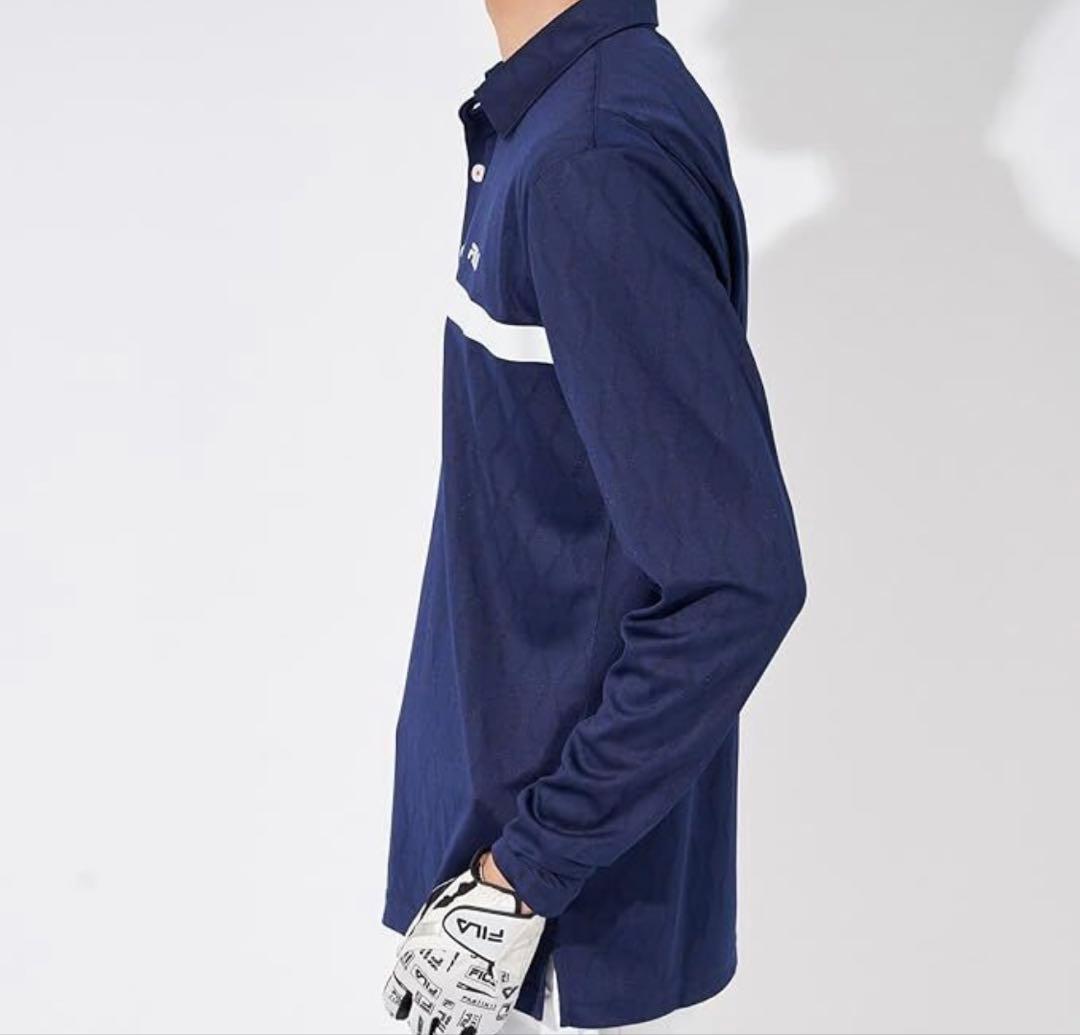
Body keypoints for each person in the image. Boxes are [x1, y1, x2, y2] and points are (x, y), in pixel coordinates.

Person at [382, 1, 805, 1032]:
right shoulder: (561, 116)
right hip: (499, 890)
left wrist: (517, 879)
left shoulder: (594, 154)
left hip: (540, 929)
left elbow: (737, 580)